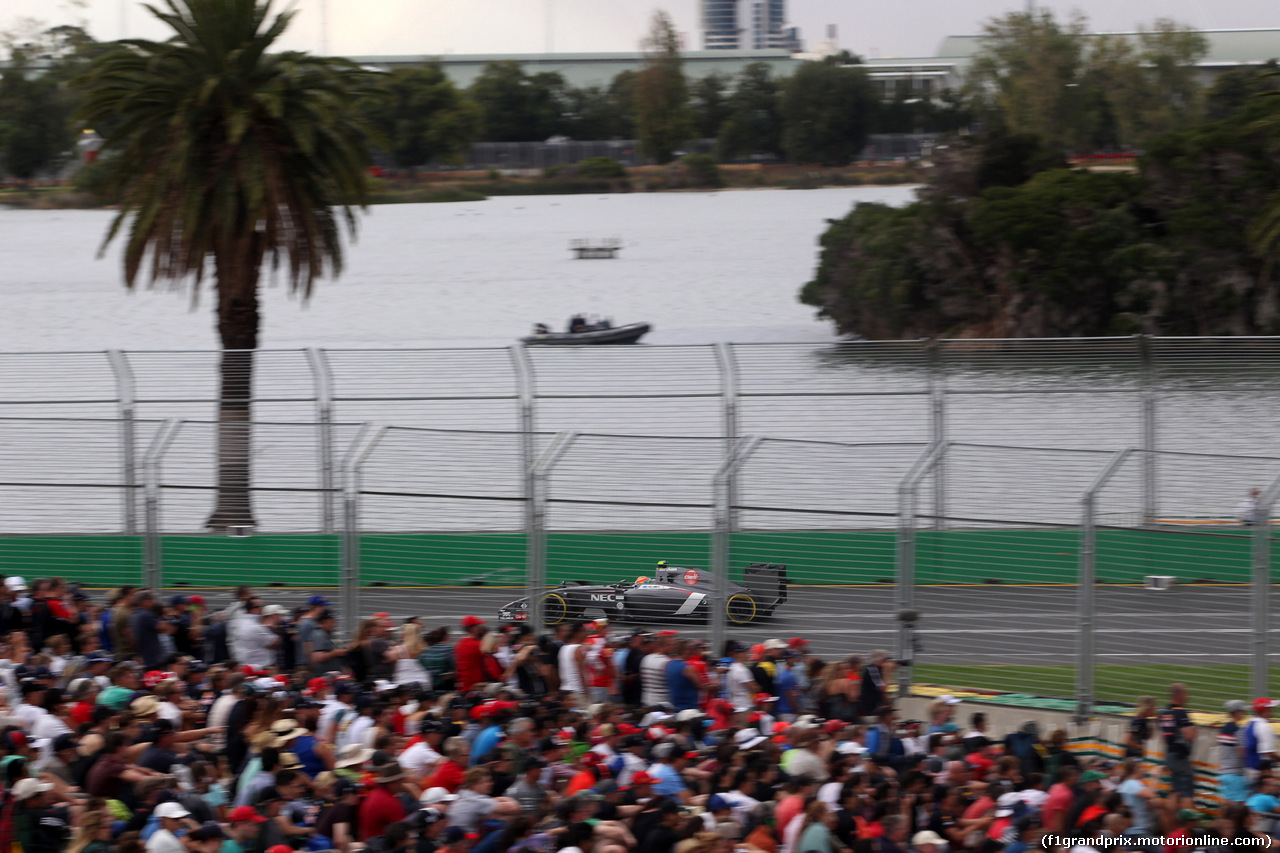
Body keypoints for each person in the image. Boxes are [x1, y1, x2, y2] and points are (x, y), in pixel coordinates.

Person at [1159, 683, 1196, 802]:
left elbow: (1164, 737)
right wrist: (1194, 729)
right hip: (1180, 757)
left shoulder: (1164, 712)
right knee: (1186, 794)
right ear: (1178, 695)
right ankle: (1188, 818)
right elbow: (1189, 735)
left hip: (1170, 755)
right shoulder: (1181, 712)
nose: (1187, 696)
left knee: (1175, 792)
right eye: (1185, 693)